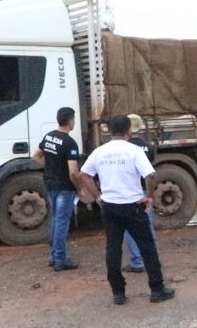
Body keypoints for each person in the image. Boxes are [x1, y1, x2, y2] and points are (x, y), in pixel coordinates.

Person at [79, 115, 175, 305]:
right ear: (129, 131)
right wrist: (148, 196)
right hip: (133, 206)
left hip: (109, 206)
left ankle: (118, 293)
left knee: (113, 249)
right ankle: (157, 289)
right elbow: (150, 175)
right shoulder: (134, 151)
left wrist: (98, 196)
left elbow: (84, 174)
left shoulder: (100, 152)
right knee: (147, 247)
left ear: (109, 131)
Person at [33, 107, 81, 272]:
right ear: (70, 120)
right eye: (73, 119)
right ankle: (60, 259)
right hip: (64, 187)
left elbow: (36, 155)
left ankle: (54, 256)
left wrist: (49, 168)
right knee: (62, 222)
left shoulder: (49, 137)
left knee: (55, 220)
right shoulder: (69, 143)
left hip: (50, 183)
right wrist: (80, 189)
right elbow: (73, 172)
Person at [122, 114, 156, 274]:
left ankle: (137, 261)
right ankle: (152, 259)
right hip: (143, 191)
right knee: (147, 226)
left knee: (130, 228)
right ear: (140, 127)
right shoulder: (148, 147)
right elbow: (150, 171)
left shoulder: (124, 147)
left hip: (129, 192)